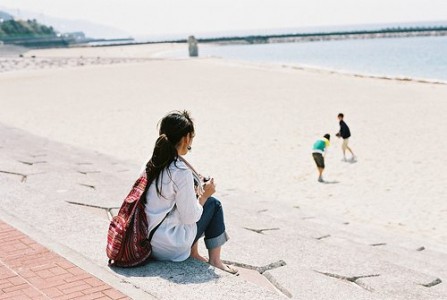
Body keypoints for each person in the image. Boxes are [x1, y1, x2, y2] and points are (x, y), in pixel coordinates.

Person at [143, 110, 237, 274]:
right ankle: (215, 260)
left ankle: (194, 253)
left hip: (147, 240)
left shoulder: (152, 163)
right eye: (191, 138)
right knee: (213, 204)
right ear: (186, 138)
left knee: (191, 200)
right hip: (169, 247)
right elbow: (190, 217)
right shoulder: (180, 171)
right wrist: (205, 195)